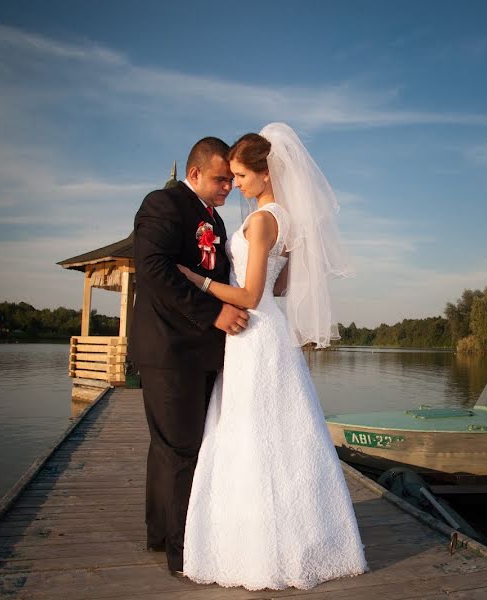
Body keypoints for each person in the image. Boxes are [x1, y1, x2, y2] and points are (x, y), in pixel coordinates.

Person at [179, 123, 367, 589]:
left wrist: (196, 280)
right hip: (269, 334)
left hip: (255, 335)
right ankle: (295, 539)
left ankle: (254, 549)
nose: (236, 184)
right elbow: (283, 285)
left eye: (241, 176)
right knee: (279, 433)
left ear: (265, 173)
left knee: (251, 433)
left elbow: (249, 294)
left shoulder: (263, 220)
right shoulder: (285, 220)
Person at [129, 137, 249, 575]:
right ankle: (184, 556)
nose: (228, 187)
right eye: (220, 179)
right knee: (181, 451)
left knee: (171, 449)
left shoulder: (212, 220)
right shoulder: (162, 205)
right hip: (169, 349)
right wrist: (213, 312)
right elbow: (154, 269)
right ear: (194, 174)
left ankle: (161, 536)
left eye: (230, 180)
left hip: (198, 352)